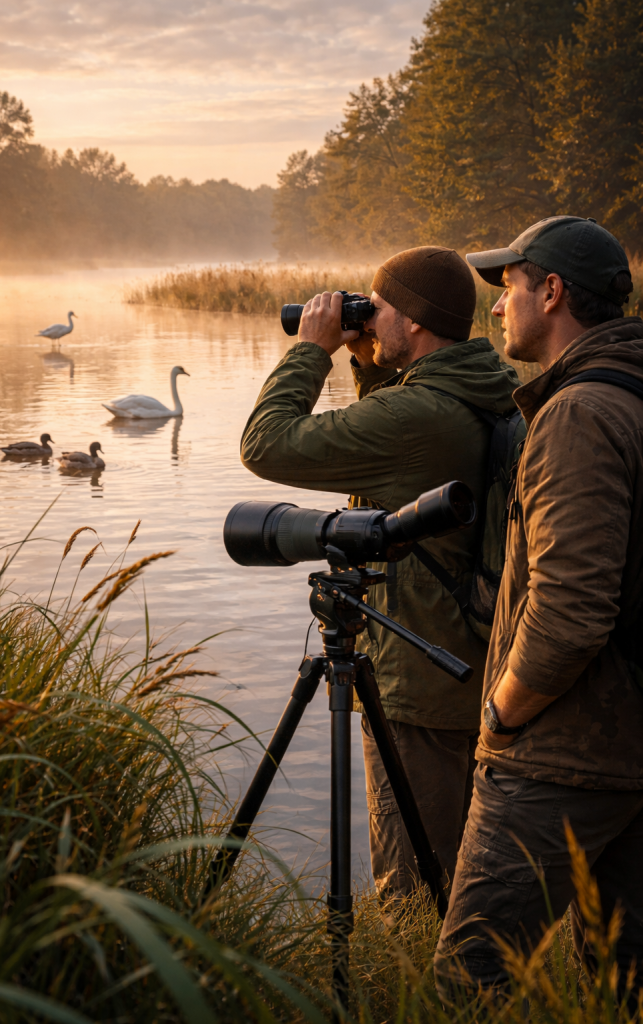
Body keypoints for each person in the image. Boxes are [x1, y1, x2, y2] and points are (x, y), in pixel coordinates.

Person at [240, 246, 521, 894]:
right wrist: (370, 365)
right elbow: (401, 462)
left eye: (377, 306)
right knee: (460, 868)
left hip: (419, 682)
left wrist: (312, 350)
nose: (365, 318)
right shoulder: (482, 387)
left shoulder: (419, 416)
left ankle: (409, 986)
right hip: (472, 662)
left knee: (412, 883)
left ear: (415, 321)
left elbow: (266, 444)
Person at [434, 215, 643, 996]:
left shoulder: (579, 414)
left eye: (508, 287)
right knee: (621, 985)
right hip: (628, 748)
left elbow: (570, 612)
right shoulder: (632, 388)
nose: (495, 308)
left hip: (566, 754)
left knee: (469, 979)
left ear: (550, 292)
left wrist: (503, 714)